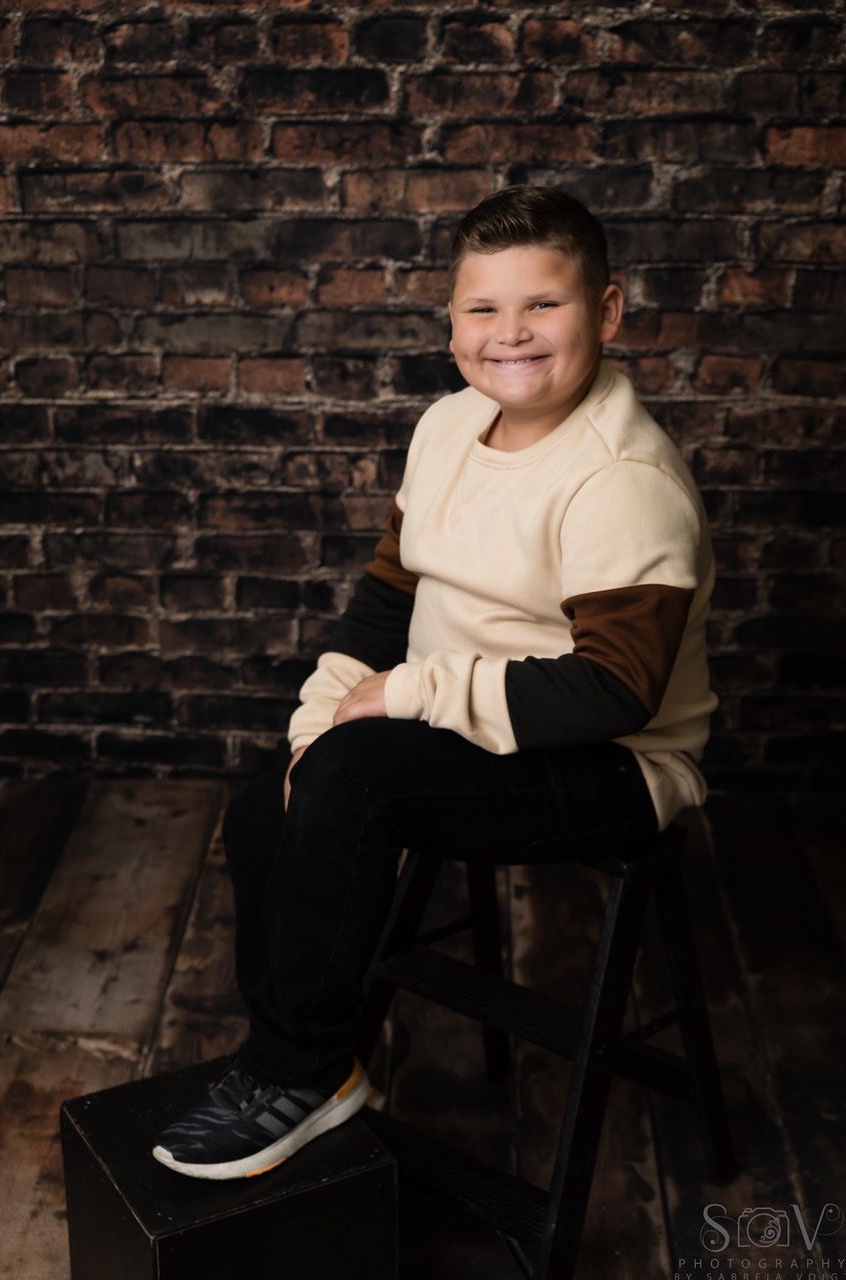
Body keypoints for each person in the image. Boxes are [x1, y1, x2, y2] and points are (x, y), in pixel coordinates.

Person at [152, 184, 718, 1181]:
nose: (510, 333)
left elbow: (612, 692)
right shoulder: (450, 426)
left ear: (609, 311)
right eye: (482, 308)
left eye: (542, 304)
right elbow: (384, 601)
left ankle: (298, 1067)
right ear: (451, 321)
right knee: (264, 810)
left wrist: (405, 697)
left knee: (357, 778)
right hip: (477, 729)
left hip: (614, 766)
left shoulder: (620, 476)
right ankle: (298, 1061)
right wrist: (315, 724)